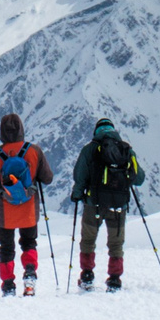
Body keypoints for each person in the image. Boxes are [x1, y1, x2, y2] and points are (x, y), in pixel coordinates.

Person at [66, 116, 147, 291]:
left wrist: (77, 194)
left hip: (93, 203)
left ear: (96, 131)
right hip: (118, 205)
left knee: (88, 240)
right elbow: (139, 178)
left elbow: (80, 175)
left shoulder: (89, 150)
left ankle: (87, 275)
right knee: (116, 243)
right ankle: (115, 279)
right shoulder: (126, 150)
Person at [0, 112, 54, 296]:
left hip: (5, 211)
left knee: (6, 249)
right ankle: (29, 275)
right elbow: (48, 178)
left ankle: (8, 285)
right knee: (29, 243)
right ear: (22, 129)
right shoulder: (33, 150)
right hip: (29, 209)